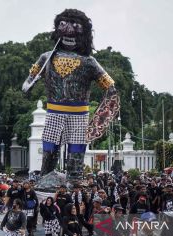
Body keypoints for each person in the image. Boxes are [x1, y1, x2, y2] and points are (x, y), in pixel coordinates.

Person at [22, 9, 120, 180]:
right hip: (54, 111)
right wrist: (27, 86)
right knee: (49, 148)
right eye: (63, 26)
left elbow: (110, 87)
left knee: (77, 149)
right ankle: (46, 176)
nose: (68, 32)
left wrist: (102, 116)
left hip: (79, 114)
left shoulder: (89, 62)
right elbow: (28, 80)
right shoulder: (47, 57)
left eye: (75, 27)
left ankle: (74, 179)